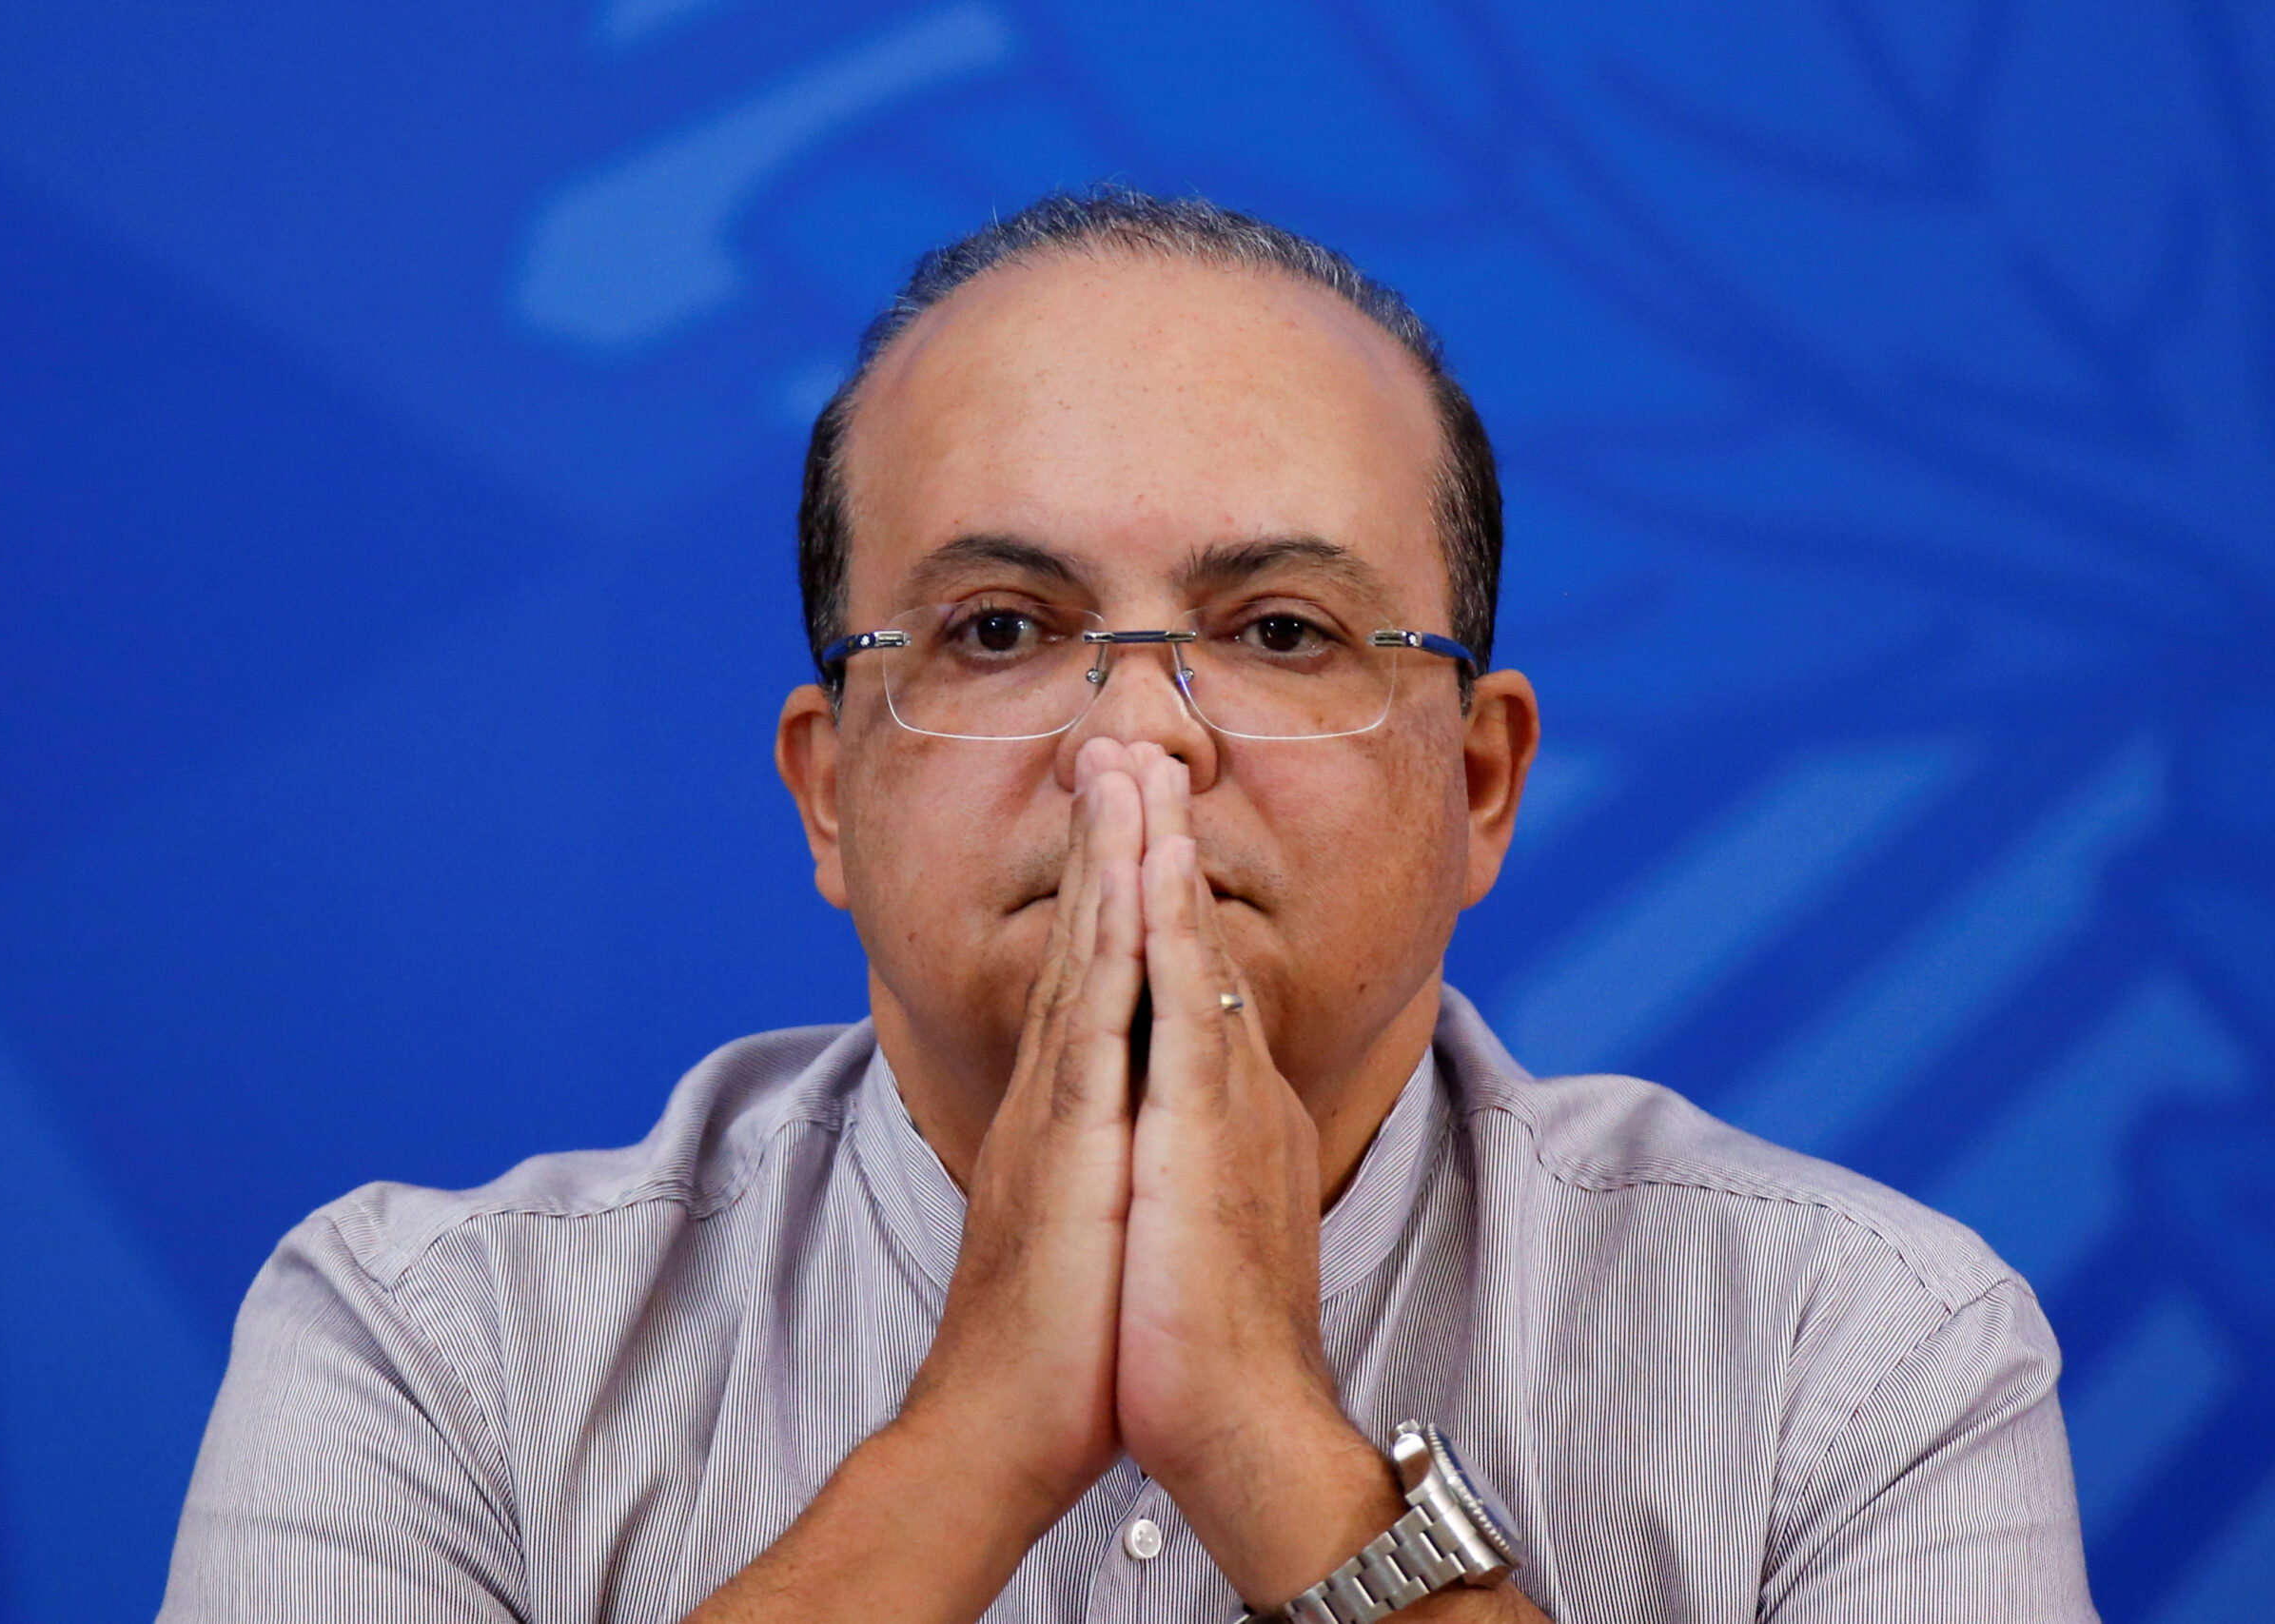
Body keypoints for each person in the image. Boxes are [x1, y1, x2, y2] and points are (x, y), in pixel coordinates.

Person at [160, 192, 2095, 1623]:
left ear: (1477, 784)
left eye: (1276, 631)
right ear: (831, 787)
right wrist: (972, 1436)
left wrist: (1271, 1436)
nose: (1138, 750)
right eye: (1002, 629)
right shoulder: (430, 1347)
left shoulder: (1859, 1355)